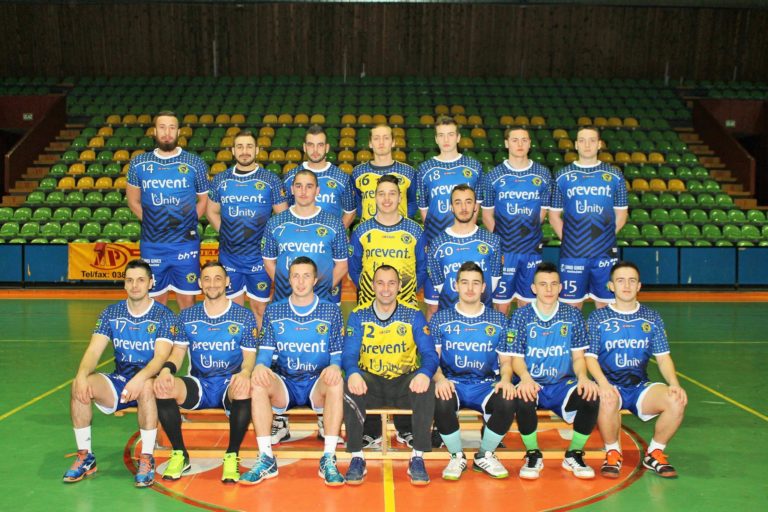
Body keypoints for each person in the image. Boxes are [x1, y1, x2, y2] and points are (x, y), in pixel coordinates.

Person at [63, 259, 178, 487]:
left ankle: (147, 457)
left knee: (147, 385)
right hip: (120, 381)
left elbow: (159, 359)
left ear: (151, 283)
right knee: (80, 386)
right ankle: (86, 456)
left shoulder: (164, 315)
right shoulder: (111, 312)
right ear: (124, 284)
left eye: (141, 280)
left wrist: (139, 379)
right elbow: (93, 351)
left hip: (149, 381)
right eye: (130, 280)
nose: (135, 285)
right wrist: (81, 376)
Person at [240, 257, 346, 486]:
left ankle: (328, 458)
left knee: (336, 380)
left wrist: (335, 366)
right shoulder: (274, 310)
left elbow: (337, 355)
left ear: (315, 280)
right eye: (295, 276)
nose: (300, 282)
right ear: (288, 280)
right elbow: (265, 352)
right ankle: (266, 458)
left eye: (306, 276)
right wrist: (260, 365)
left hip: (316, 383)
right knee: (258, 381)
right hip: (285, 383)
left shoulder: (330, 311)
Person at [153, 261, 257, 483]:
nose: (212, 284)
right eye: (207, 279)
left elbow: (249, 356)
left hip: (229, 384)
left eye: (218, 278)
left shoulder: (244, 316)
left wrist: (245, 373)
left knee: (244, 388)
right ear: (200, 283)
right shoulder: (187, 316)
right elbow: (178, 351)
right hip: (199, 384)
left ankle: (232, 455)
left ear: (227, 282)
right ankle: (180, 453)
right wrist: (167, 370)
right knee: (163, 387)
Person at [585, 261, 687, 478]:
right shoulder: (598, 318)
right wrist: (603, 384)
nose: (627, 285)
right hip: (610, 385)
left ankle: (654, 453)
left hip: (639, 386)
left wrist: (674, 384)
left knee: (676, 400)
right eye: (620, 281)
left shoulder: (651, 317)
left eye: (632, 281)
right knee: (607, 398)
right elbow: (590, 358)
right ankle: (613, 452)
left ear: (639, 286)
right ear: (611, 286)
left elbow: (663, 358)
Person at [342, 265, 439, 486]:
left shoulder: (413, 315)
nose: (386, 289)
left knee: (427, 383)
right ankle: (357, 457)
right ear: (372, 285)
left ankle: (417, 458)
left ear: (400, 286)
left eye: (391, 283)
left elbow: (429, 354)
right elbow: (349, 354)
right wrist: (353, 372)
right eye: (380, 283)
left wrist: (424, 373)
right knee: (350, 382)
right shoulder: (359, 315)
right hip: (372, 384)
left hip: (403, 383)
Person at [509, 262, 600, 480]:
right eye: (543, 284)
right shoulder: (521, 316)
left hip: (562, 385)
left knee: (591, 395)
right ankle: (533, 453)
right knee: (522, 396)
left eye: (553, 284)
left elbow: (578, 357)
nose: (548, 289)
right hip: (532, 382)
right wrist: (525, 378)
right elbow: (516, 359)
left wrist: (583, 377)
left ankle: (574, 453)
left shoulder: (573, 315)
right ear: (534, 288)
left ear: (560, 287)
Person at [430, 262, 516, 480]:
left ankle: (484, 454)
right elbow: (432, 360)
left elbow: (506, 361)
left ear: (483, 287)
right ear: (456, 285)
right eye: (465, 282)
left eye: (475, 283)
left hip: (486, 384)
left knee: (508, 398)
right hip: (453, 383)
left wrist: (506, 379)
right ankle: (456, 456)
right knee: (440, 397)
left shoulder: (498, 320)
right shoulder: (440, 319)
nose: (470, 288)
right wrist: (440, 379)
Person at [126, 111, 209, 309]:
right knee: (156, 301)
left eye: (172, 128)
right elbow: (133, 201)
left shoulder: (195, 163)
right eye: (162, 127)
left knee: (187, 301)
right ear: (154, 131)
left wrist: (188, 222)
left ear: (179, 132)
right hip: (153, 244)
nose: (167, 132)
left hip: (185, 244)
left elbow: (204, 200)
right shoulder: (138, 163)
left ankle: (185, 332)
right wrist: (152, 223)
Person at [207, 130, 288, 328]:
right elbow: (211, 212)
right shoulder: (220, 179)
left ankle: (261, 348)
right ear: (233, 150)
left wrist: (270, 243)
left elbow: (283, 218)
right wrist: (226, 233)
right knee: (234, 311)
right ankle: (239, 349)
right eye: (240, 147)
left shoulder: (270, 180)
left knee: (260, 309)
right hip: (230, 257)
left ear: (257, 150)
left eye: (249, 146)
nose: (245, 151)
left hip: (259, 258)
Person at [548, 126, 628, 309]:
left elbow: (621, 214)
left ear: (599, 144)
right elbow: (553, 216)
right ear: (576, 145)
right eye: (582, 140)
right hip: (572, 255)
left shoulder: (615, 176)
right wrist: (570, 240)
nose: (587, 145)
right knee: (571, 309)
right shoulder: (562, 176)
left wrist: (604, 238)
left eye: (592, 140)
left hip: (605, 254)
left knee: (607, 308)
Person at [479, 126, 552, 314]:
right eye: (515, 140)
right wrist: (504, 241)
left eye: (524, 140)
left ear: (530, 143)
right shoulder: (493, 176)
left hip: (531, 250)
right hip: (505, 250)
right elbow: (486, 215)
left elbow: (542, 213)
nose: (520, 144)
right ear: (506, 143)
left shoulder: (543, 174)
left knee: (527, 305)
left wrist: (526, 236)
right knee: (501, 305)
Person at [262, 169, 348, 304]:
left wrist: (321, 291)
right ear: (292, 189)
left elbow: (342, 265)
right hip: (285, 299)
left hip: (320, 301)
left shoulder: (334, 223)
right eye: (298, 186)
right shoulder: (275, 222)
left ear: (317, 190)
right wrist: (288, 288)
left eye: (309, 186)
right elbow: (268, 262)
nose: (303, 191)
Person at [349, 174, 427, 307]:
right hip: (369, 304)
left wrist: (407, 290)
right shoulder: (361, 230)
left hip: (406, 305)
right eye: (381, 194)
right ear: (375, 197)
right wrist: (370, 290)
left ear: (400, 198)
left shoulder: (416, 230)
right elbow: (354, 269)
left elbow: (423, 268)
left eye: (392, 194)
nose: (386, 199)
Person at [426, 184, 501, 317]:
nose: (464, 207)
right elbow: (440, 287)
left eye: (468, 202)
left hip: (483, 316)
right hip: (449, 317)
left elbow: (493, 283)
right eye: (458, 202)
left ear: (475, 206)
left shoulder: (492, 241)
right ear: (451, 207)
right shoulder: (437, 244)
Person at [416, 115, 483, 243]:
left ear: (458, 137)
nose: (446, 139)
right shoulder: (425, 168)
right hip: (436, 237)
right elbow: (424, 210)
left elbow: (476, 207)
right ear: (436, 139)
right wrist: (432, 238)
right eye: (441, 135)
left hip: (466, 237)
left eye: (450, 134)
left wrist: (467, 233)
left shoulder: (474, 166)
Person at [284, 124, 357, 228]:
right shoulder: (291, 177)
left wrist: (335, 234)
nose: (315, 150)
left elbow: (350, 212)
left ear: (327, 148)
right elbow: (283, 210)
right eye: (310, 145)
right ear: (304, 147)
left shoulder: (342, 178)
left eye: (320, 145)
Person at [352, 124, 417, 221]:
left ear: (393, 142)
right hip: (369, 228)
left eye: (386, 138)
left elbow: (413, 202)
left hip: (399, 229)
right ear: (370, 143)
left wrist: (401, 221)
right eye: (376, 138)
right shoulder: (358, 172)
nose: (381, 142)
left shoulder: (408, 171)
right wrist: (369, 221)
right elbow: (356, 203)